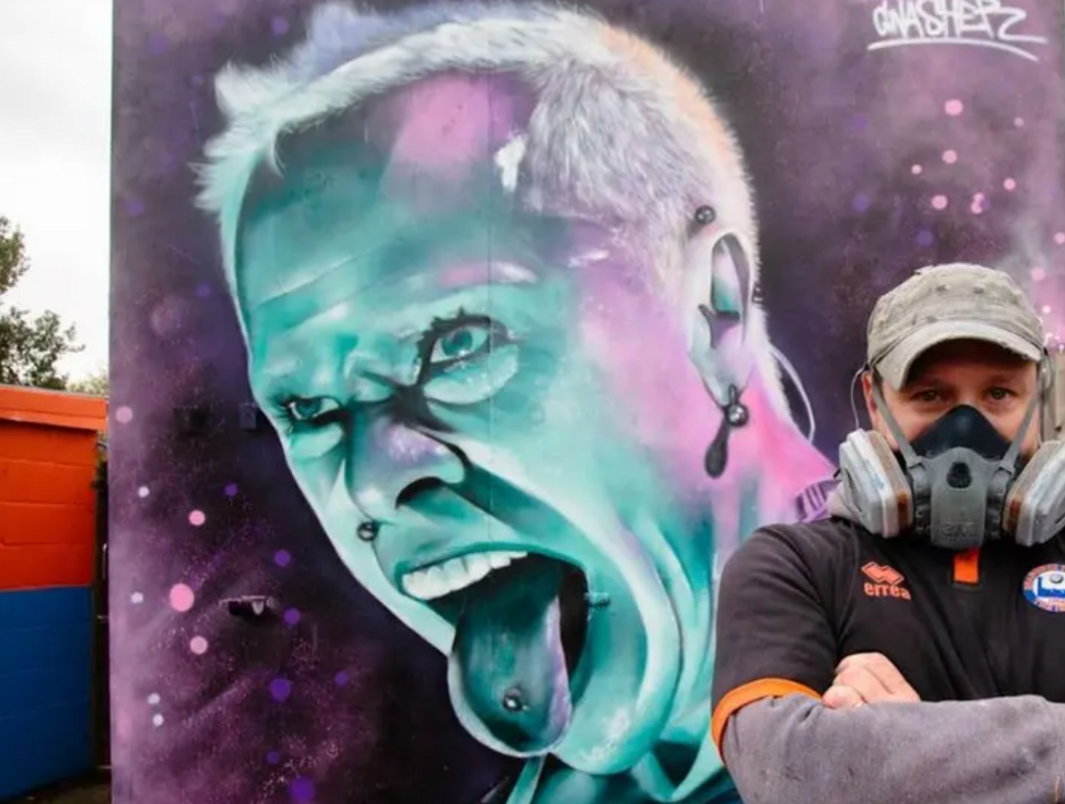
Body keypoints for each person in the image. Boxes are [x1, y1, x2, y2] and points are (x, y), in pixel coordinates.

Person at [194, 3, 835, 803]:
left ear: (715, 313)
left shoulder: (931, 686)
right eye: (307, 411)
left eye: (456, 345)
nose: (367, 484)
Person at [711, 262, 1065, 802]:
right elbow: (789, 774)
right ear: (874, 403)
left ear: (1038, 396)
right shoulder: (791, 567)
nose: (966, 426)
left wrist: (900, 766)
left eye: (999, 395)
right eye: (929, 394)